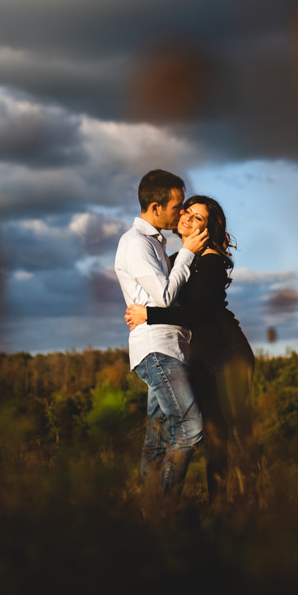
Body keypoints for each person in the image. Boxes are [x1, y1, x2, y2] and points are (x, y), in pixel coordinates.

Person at [126, 195, 254, 501]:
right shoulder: (179, 259)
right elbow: (164, 293)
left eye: (198, 217)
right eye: (187, 212)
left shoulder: (211, 260)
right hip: (197, 356)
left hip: (227, 354)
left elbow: (197, 313)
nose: (187, 218)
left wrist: (149, 314)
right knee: (212, 435)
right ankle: (219, 508)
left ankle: (250, 510)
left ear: (208, 228)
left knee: (235, 435)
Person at [114, 169, 209, 495]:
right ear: (155, 207)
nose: (181, 212)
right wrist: (187, 253)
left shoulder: (153, 243)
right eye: (176, 205)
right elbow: (164, 296)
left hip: (172, 347)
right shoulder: (136, 243)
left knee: (156, 438)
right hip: (157, 350)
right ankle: (166, 507)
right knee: (190, 427)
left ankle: (149, 516)